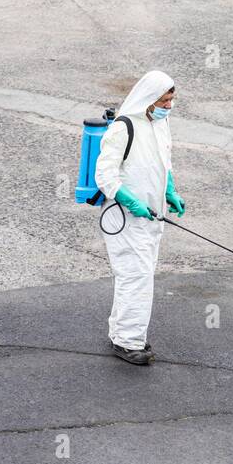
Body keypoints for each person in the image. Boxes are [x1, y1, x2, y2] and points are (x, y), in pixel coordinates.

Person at [94, 70, 186, 366]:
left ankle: (121, 331)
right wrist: (130, 202)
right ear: (149, 99)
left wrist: (170, 190)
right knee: (137, 276)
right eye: (164, 100)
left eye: (171, 99)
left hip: (150, 217)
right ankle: (128, 341)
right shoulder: (123, 128)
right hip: (124, 218)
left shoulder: (159, 124)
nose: (169, 106)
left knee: (137, 274)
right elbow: (104, 176)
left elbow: (163, 162)